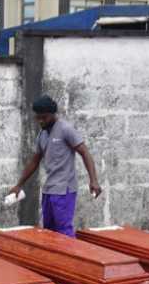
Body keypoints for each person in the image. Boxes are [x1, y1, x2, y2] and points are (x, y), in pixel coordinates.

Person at [8, 94, 102, 237]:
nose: (40, 121)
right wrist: (19, 185)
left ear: (53, 114)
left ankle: (71, 259)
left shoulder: (65, 129)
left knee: (64, 231)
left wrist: (93, 180)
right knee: (50, 233)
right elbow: (34, 161)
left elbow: (84, 152)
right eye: (38, 117)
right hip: (49, 190)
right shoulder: (42, 135)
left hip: (64, 190)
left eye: (44, 117)